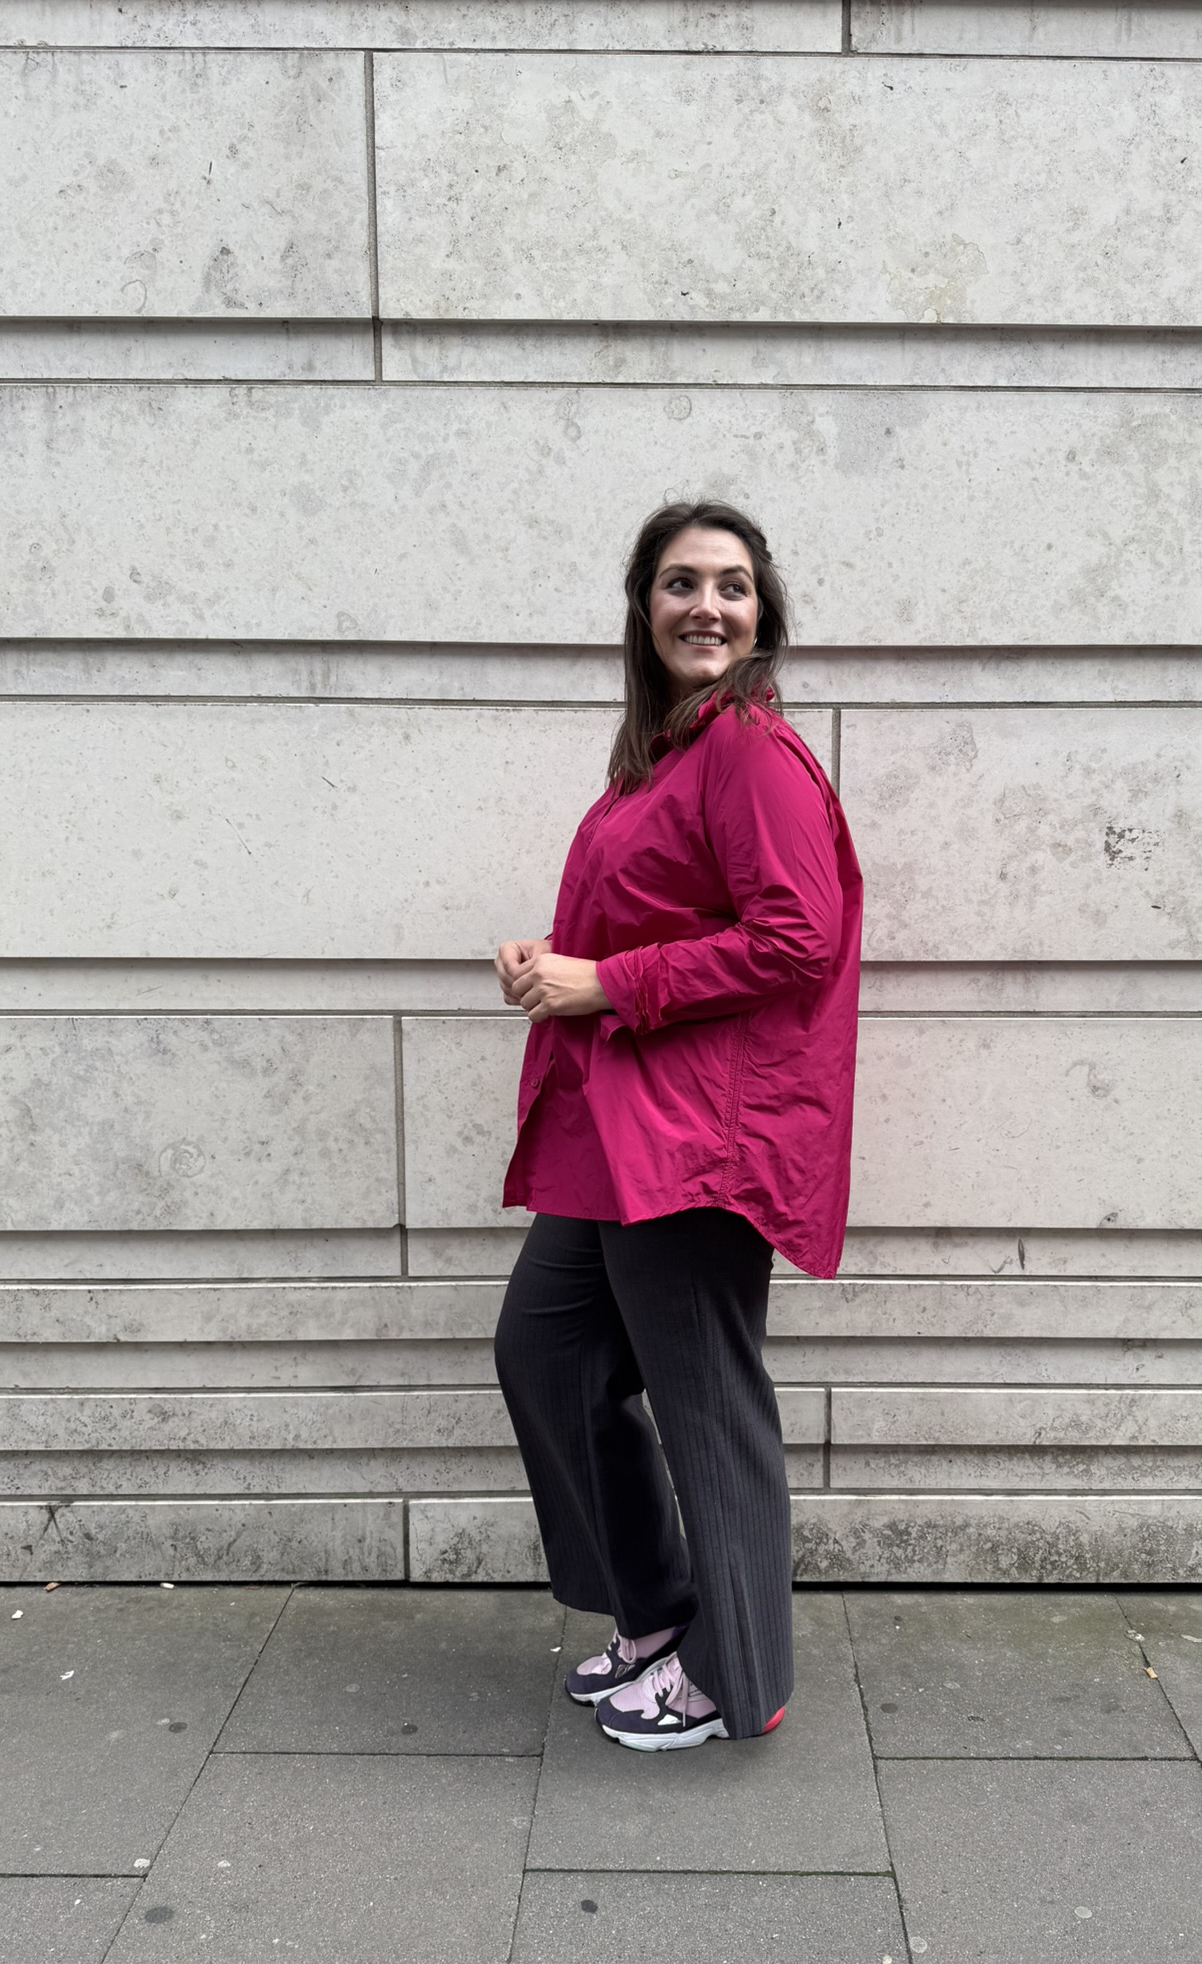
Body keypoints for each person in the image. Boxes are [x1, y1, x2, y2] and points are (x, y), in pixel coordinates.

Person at [492, 499, 862, 1751]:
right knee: (546, 1355)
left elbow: (798, 935)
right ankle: (654, 1613)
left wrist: (611, 981)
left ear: (764, 616)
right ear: (642, 608)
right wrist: (559, 959)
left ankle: (734, 1672)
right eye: (680, 582)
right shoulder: (658, 755)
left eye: (734, 586)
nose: (708, 605)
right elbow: (657, 918)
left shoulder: (751, 748)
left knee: (709, 1405)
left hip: (699, 1137)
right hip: (614, 1127)